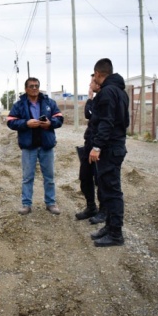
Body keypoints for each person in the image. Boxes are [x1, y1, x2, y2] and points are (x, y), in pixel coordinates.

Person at [7, 77, 64, 215]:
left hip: (46, 146)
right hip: (29, 146)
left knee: (49, 177)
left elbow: (60, 118)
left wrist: (50, 123)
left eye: (36, 86)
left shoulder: (49, 102)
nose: (34, 88)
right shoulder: (19, 105)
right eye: (31, 86)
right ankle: (26, 204)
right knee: (27, 177)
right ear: (26, 88)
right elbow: (10, 121)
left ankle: (51, 203)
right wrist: (26, 123)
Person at [88, 58, 129, 247]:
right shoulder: (120, 92)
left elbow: (106, 122)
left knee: (112, 191)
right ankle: (109, 226)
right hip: (115, 146)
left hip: (109, 148)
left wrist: (97, 147)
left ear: (97, 74)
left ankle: (115, 234)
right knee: (107, 188)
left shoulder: (107, 92)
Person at [75, 74, 106, 223]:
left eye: (92, 82)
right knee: (85, 176)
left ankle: (103, 211)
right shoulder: (95, 99)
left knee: (100, 179)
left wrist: (97, 146)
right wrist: (89, 97)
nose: (90, 84)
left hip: (99, 146)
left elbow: (93, 115)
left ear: (98, 83)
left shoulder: (104, 99)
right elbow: (88, 114)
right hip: (89, 144)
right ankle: (91, 207)